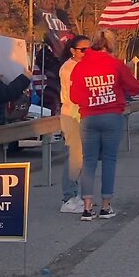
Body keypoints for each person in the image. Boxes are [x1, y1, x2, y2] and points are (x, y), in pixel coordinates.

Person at [70, 30, 139, 221]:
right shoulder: (115, 65)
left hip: (89, 117)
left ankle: (86, 207)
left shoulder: (80, 66)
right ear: (110, 45)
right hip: (112, 116)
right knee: (109, 160)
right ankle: (105, 205)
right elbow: (135, 88)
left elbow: (74, 97)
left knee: (89, 161)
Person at [59, 36, 90, 213]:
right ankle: (68, 198)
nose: (87, 53)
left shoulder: (84, 66)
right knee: (74, 157)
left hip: (84, 115)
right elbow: (74, 96)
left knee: (83, 158)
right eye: (83, 50)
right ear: (73, 50)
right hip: (72, 116)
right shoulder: (68, 69)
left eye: (89, 49)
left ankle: (76, 193)